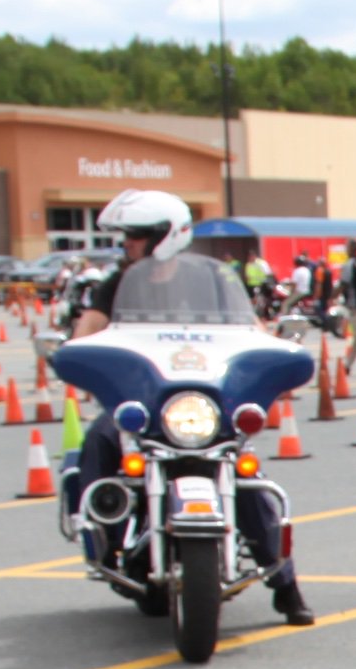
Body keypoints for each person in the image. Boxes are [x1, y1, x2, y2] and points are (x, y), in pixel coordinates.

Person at [61, 188, 312, 623]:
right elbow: (89, 330)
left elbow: (252, 330)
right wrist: (73, 351)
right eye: (127, 237)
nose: (128, 246)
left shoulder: (214, 280)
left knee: (244, 473)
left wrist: (274, 352)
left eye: (135, 236)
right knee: (99, 439)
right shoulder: (118, 283)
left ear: (164, 235)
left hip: (202, 404)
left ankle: (285, 584)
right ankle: (104, 533)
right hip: (142, 404)